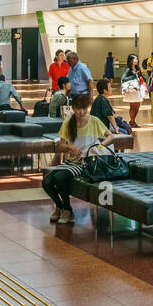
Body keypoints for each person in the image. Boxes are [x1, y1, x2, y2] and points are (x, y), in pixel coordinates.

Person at [42, 93, 113, 224]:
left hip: (86, 163)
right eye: (78, 108)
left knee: (60, 177)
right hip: (72, 162)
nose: (81, 112)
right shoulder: (68, 122)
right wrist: (70, 147)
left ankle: (68, 211)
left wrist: (99, 146)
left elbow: (110, 136)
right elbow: (61, 145)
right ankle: (60, 206)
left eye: (84, 108)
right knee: (46, 182)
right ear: (73, 108)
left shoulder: (94, 121)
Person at [120, 55, 145, 126]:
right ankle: (133, 122)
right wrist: (133, 76)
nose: (137, 60)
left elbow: (140, 76)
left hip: (137, 89)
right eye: (135, 59)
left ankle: (132, 121)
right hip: (131, 90)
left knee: (137, 105)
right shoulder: (128, 69)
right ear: (131, 61)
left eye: (137, 59)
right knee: (133, 106)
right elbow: (123, 78)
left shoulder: (138, 68)